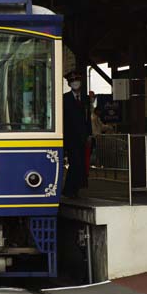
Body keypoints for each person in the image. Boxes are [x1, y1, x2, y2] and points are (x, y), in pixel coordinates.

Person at [62, 70, 91, 198]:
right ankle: (70, 190)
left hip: (82, 137)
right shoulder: (65, 98)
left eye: (76, 80)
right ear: (69, 84)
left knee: (80, 164)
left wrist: (89, 134)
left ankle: (74, 189)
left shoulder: (85, 99)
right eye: (72, 81)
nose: (75, 83)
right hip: (70, 137)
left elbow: (87, 119)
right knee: (75, 164)